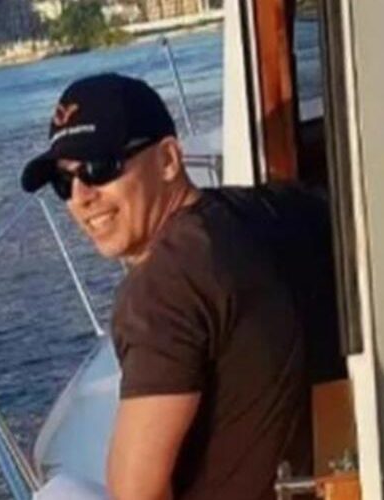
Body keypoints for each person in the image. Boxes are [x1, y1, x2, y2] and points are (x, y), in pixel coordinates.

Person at [21, 73, 342, 499]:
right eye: (64, 182)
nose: (81, 197)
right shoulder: (278, 210)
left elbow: (138, 493)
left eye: (100, 168)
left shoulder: (163, 286)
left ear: (169, 160)